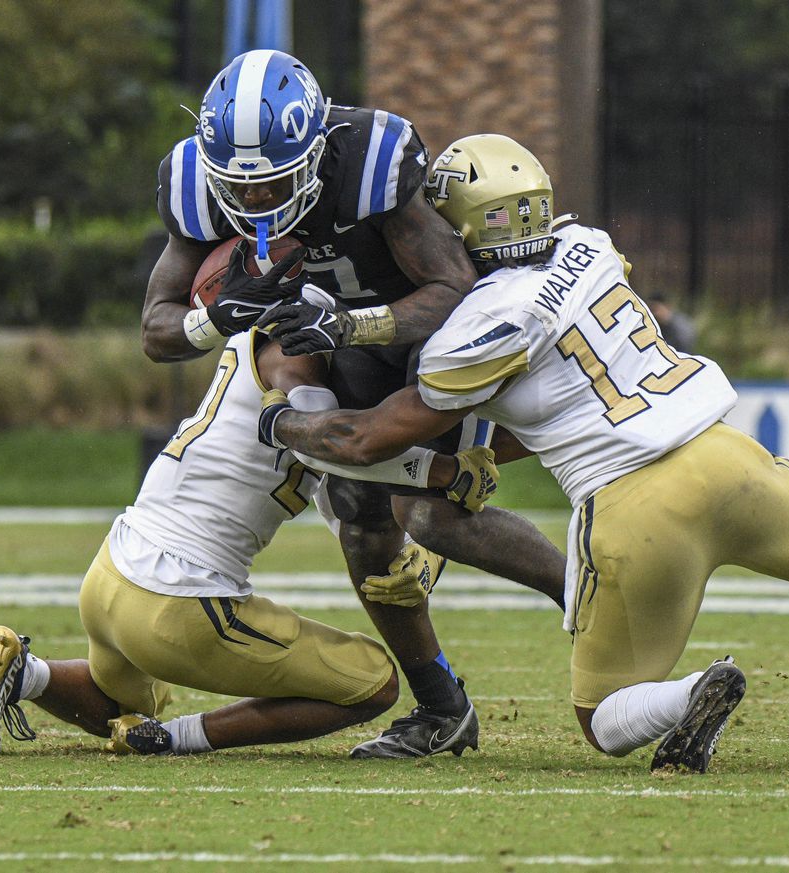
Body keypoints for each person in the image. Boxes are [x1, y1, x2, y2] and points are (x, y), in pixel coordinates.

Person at [256, 133, 789, 774]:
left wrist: (283, 421)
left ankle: (694, 693)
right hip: (729, 458)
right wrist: (488, 450)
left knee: (602, 719)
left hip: (635, 512)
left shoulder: (472, 328)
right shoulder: (589, 245)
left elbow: (373, 435)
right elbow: (572, 380)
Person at [138, 50, 567, 757]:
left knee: (433, 519)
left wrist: (351, 323)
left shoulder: (369, 159)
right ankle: (441, 707)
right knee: (365, 522)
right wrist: (213, 319)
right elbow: (157, 331)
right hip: (340, 347)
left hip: (425, 334)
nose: (253, 204)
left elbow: (450, 285)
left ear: (313, 151)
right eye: (237, 190)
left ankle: (583, 592)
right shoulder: (196, 187)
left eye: (273, 182)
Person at [0, 325, 501, 757]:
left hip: (110, 574)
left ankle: (23, 670)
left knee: (121, 705)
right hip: (181, 599)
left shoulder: (255, 348)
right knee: (374, 682)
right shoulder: (295, 366)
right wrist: (444, 472)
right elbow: (339, 449)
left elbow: (343, 500)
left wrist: (414, 548)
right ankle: (174, 740)